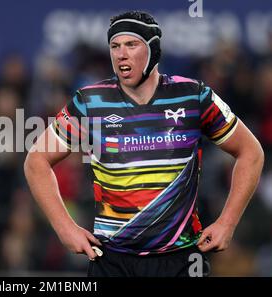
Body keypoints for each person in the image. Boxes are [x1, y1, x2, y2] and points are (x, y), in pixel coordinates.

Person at [24, 11, 264, 277]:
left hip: (181, 260)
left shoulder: (193, 96)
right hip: (111, 260)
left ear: (153, 50)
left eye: (131, 44)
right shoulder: (90, 102)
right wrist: (64, 228)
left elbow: (250, 152)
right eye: (115, 46)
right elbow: (37, 160)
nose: (120, 54)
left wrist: (228, 223)